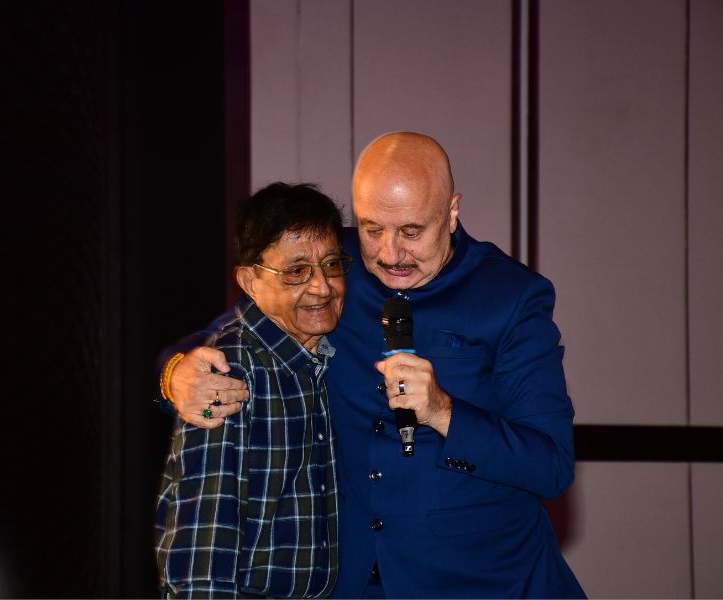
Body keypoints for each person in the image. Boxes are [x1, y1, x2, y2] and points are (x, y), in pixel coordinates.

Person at [159, 132, 585, 598]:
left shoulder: (510, 296)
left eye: (411, 232)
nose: (389, 254)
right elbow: (233, 334)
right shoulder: (331, 267)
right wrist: (175, 373)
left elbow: (551, 465)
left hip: (483, 581)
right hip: (349, 583)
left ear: (451, 213)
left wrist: (443, 411)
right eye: (371, 229)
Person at [155, 182, 350, 598]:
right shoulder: (229, 373)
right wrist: (172, 373)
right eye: (296, 271)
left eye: (332, 265)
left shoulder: (317, 355)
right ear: (250, 280)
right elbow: (203, 549)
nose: (322, 286)